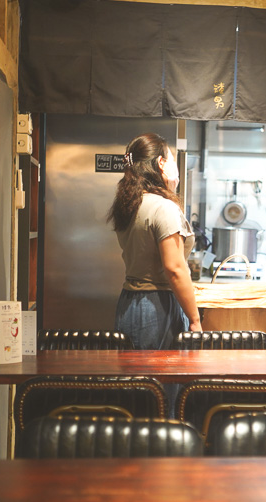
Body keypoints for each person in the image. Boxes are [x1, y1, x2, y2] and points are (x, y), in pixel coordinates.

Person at [108, 133, 201, 350]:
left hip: (129, 303)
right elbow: (175, 269)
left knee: (136, 380)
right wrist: (195, 320)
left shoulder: (130, 203)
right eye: (173, 159)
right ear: (161, 163)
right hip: (157, 307)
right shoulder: (163, 207)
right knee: (160, 381)